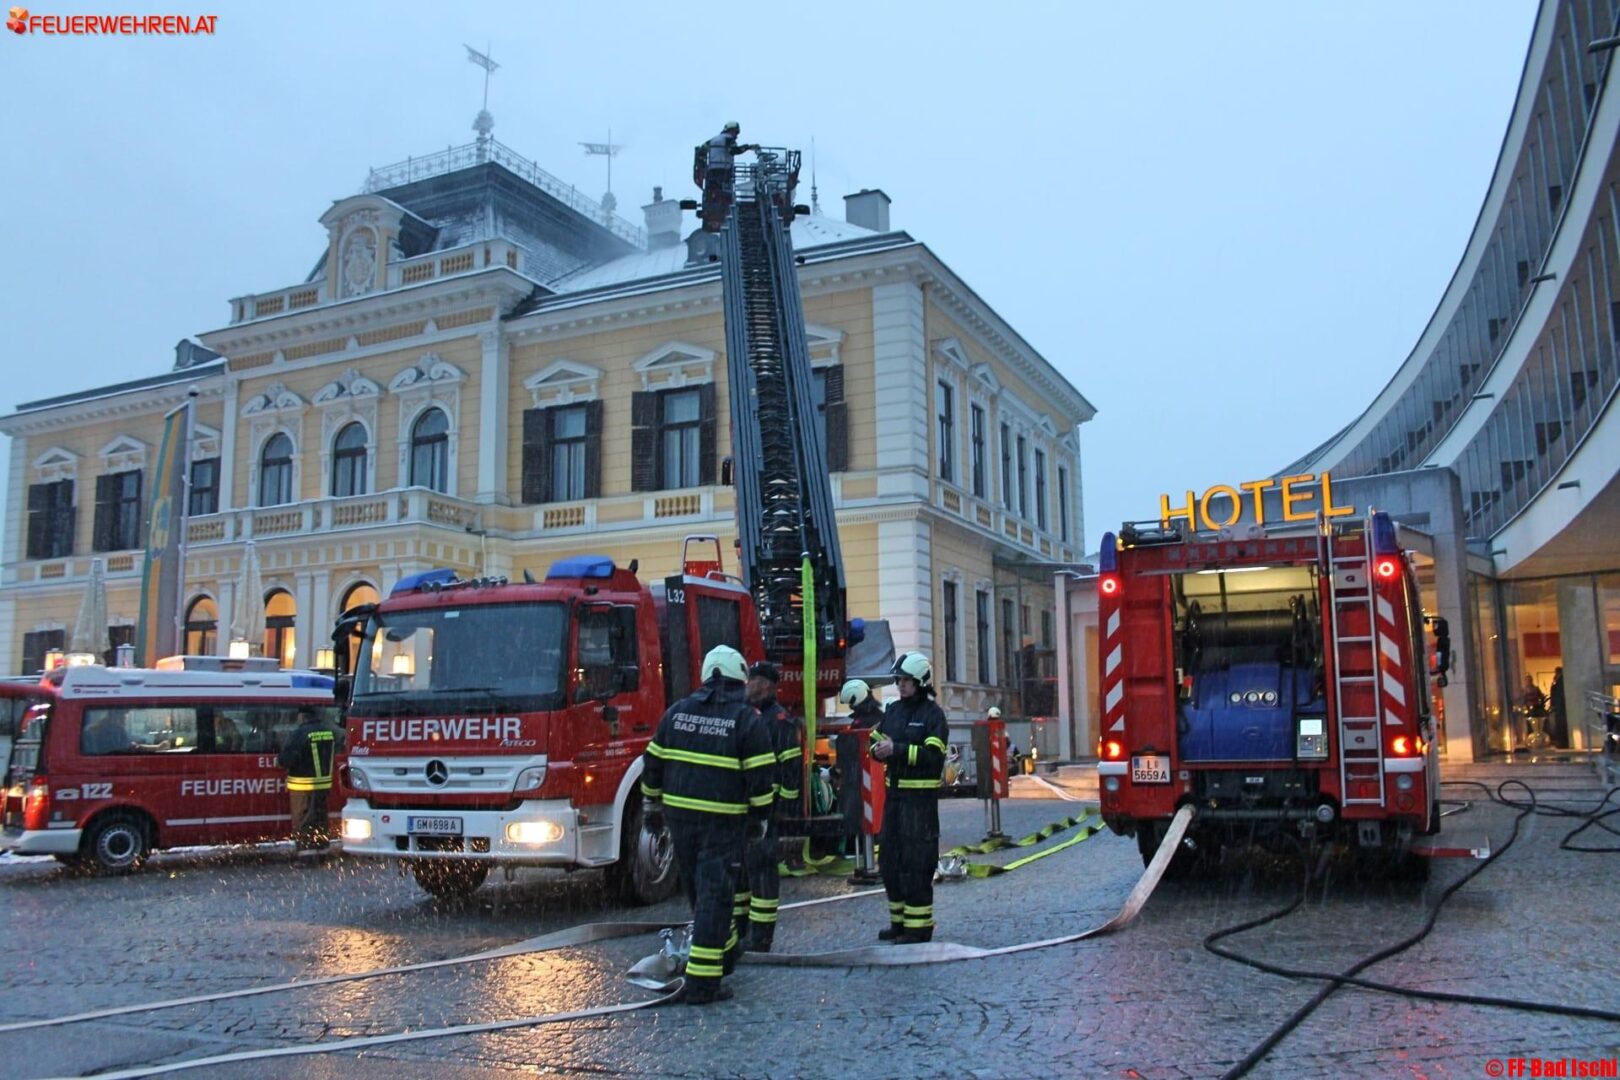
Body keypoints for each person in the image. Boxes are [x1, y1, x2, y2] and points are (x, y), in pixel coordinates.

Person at [640, 645, 775, 1004]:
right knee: (715, 898)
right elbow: (761, 779)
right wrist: (759, 818)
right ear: (738, 680)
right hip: (723, 823)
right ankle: (703, 984)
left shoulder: (676, 713)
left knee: (700, 896)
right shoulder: (746, 720)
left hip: (680, 822)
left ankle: (725, 952)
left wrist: (652, 805)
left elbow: (651, 763)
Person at [870, 652, 948, 944]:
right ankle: (899, 922)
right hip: (896, 800)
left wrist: (898, 750)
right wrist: (876, 750)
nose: (900, 685)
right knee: (889, 861)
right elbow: (876, 740)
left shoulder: (933, 716)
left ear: (920, 682)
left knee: (917, 863)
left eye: (906, 680)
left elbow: (933, 756)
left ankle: (919, 928)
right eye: (899, 680)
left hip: (920, 803)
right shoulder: (893, 711)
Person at [736, 660, 801, 953]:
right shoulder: (746, 714)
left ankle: (761, 937)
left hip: (768, 809)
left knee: (762, 872)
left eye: (753, 680)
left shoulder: (779, 720)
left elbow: (791, 767)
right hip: (744, 807)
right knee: (741, 872)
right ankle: (739, 930)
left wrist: (784, 806)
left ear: (766, 685)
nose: (748, 685)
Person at [278, 706, 337, 853]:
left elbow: (286, 759)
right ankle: (322, 851)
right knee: (320, 819)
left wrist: (279, 760)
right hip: (323, 784)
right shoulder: (328, 731)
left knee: (304, 820)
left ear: (303, 717)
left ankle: (306, 855)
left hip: (303, 785)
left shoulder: (300, 733)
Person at [835, 679, 884, 848]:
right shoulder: (878, 718)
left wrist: (837, 770)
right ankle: (870, 844)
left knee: (855, 813)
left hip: (856, 777)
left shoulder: (860, 723)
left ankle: (857, 846)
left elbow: (848, 749)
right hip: (872, 776)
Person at [699, 121, 758, 230]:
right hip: (724, 171)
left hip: (712, 171)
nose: (737, 136)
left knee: (714, 192)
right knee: (725, 192)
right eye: (736, 133)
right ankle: (727, 209)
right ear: (732, 130)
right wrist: (748, 147)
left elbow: (701, 149)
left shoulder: (713, 140)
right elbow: (733, 150)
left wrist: (702, 164)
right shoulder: (728, 139)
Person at [1548, 667, 1568, 749]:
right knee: (1560, 725)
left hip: (1560, 708)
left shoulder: (1559, 682)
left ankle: (1562, 742)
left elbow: (1557, 696)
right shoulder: (1560, 681)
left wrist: (1553, 705)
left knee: (1561, 725)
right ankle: (1562, 742)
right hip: (1560, 707)